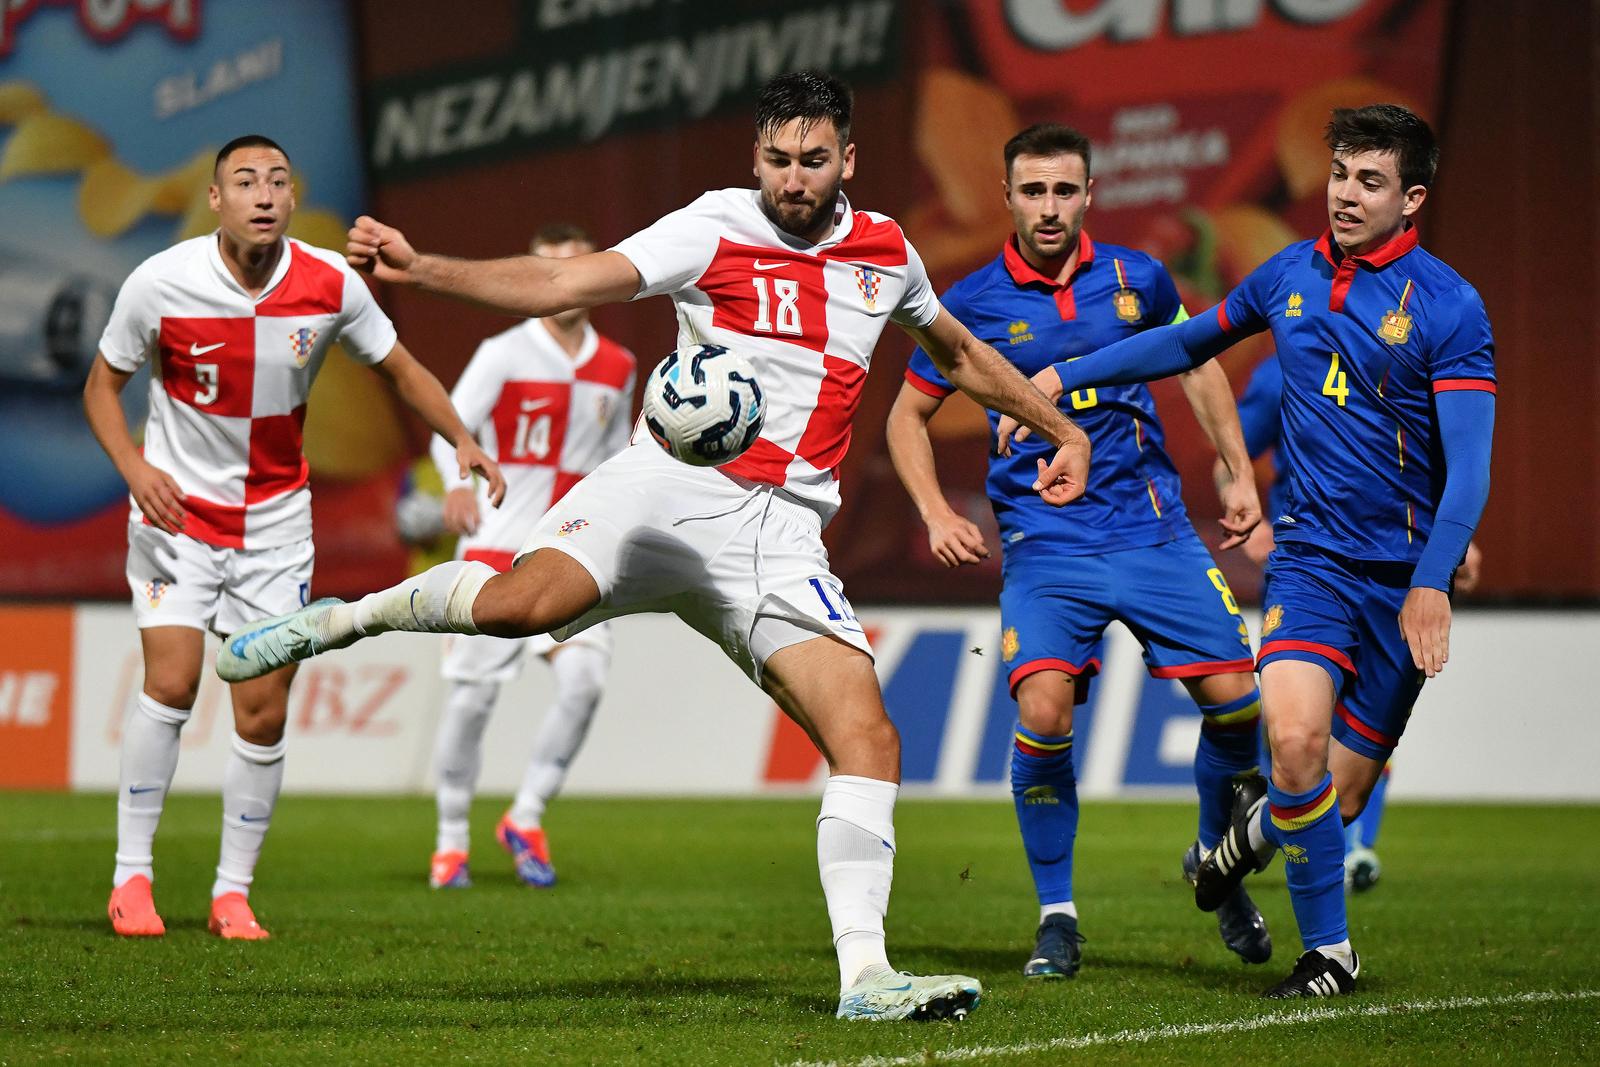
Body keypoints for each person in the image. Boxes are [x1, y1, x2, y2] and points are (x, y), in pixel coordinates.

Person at [216, 72, 1091, 1021]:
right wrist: (425, 269)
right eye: (776, 160)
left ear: (849, 159)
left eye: (812, 161)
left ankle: (866, 978)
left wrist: (1062, 428)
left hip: (781, 533)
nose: (792, 180)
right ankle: (341, 620)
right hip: (664, 489)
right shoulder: (712, 226)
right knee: (520, 608)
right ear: (754, 157)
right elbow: (562, 279)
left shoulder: (888, 252)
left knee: (869, 737)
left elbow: (959, 355)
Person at [999, 104, 1495, 997]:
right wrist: (1067, 375)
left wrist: (1431, 582)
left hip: (1399, 580)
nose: (1345, 193)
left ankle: (1240, 844)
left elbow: (1469, 472)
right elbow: (1186, 342)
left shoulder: (1452, 308)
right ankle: (1330, 955)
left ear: (1412, 198)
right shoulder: (1287, 275)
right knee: (1293, 739)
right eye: (1340, 173)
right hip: (1309, 561)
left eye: (1370, 180)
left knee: (1330, 801)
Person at [83, 134, 503, 941]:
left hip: (275, 529)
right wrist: (136, 469)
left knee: (263, 712)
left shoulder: (329, 283)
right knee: (171, 683)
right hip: (179, 517)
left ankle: (231, 892)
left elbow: (403, 369)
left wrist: (462, 439)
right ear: (216, 200)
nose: (266, 194)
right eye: (246, 181)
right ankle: (131, 878)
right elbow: (102, 386)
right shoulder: (161, 282)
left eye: (278, 179)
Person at [886, 123, 1270, 979]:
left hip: (1155, 528)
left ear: (1090, 193)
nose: (1050, 207)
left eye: (1065, 191)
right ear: (1008, 198)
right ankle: (1057, 915)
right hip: (1047, 542)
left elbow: (1201, 364)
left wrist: (1235, 469)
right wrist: (932, 512)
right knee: (1045, 712)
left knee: (1239, 703)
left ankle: (1215, 857)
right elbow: (904, 416)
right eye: (1034, 192)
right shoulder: (972, 301)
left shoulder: (1140, 278)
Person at [424, 223, 637, 891]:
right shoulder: (503, 351)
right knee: (471, 701)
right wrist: (458, 486)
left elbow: (616, 462)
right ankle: (452, 837)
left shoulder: (619, 366)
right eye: (543, 269)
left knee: (584, 683)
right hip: (493, 546)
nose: (557, 283)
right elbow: (448, 428)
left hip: (572, 549)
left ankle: (527, 814)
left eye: (572, 269)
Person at [1228, 353, 1484, 892]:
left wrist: (1456, 542)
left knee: (1357, 736)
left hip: (1394, 568)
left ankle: (1284, 836)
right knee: (1296, 728)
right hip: (1308, 569)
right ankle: (1333, 865)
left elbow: (1439, 461)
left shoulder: (1415, 354)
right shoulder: (1282, 366)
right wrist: (1246, 509)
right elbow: (1236, 453)